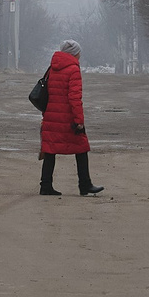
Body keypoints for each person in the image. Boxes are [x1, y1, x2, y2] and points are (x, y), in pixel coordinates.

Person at [38, 41, 102, 196]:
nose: (80, 55)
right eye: (79, 52)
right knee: (81, 148)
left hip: (51, 115)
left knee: (50, 150)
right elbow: (74, 97)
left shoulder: (53, 67)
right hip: (67, 117)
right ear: (74, 53)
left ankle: (45, 186)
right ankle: (85, 184)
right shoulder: (73, 69)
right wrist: (79, 120)